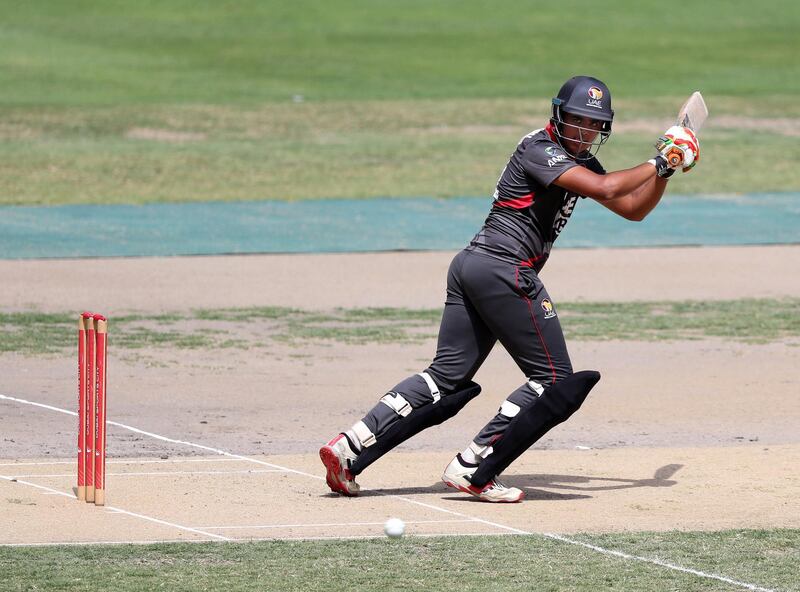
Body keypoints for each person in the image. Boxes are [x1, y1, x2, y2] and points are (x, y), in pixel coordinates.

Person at [319, 75, 700, 502]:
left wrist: (665, 171)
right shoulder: (539, 149)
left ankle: (347, 449)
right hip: (505, 269)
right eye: (577, 120)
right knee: (553, 380)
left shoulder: (580, 162)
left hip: (474, 266)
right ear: (558, 115)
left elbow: (632, 209)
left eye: (593, 124)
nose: (584, 131)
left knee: (445, 378)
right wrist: (659, 159)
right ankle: (474, 467)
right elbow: (609, 188)